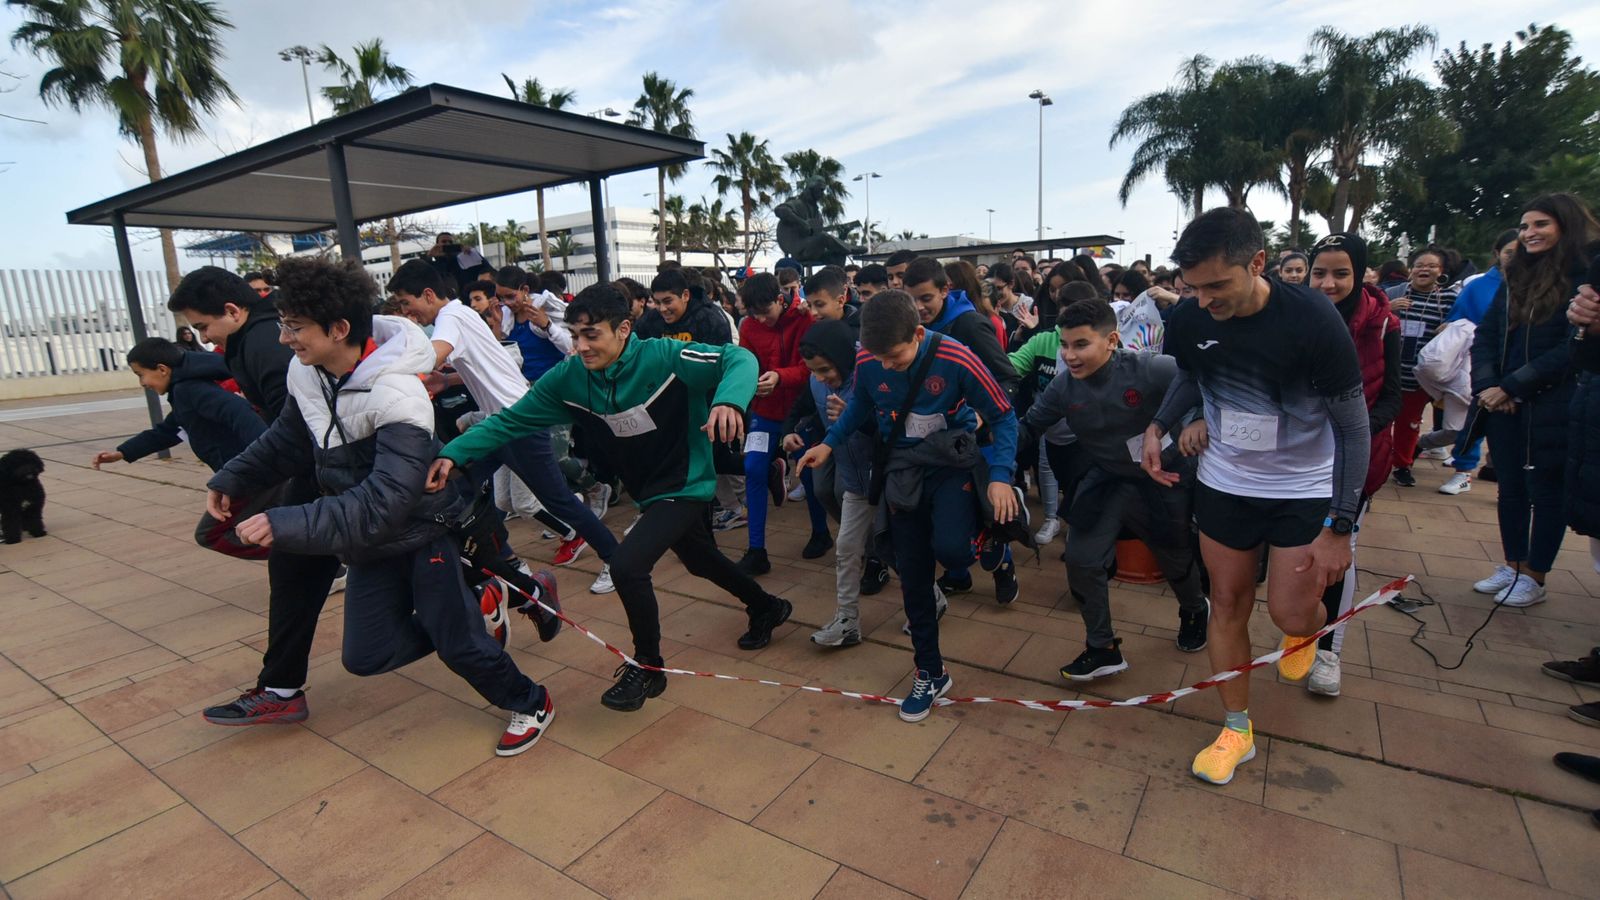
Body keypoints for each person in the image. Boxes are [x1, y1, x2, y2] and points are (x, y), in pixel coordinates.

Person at [208, 256, 556, 756]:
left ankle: (532, 700)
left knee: (459, 645)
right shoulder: (307, 374)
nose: (285, 338)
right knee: (367, 655)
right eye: (284, 324)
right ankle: (481, 602)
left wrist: (284, 522)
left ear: (339, 328)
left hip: (420, 533)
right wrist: (233, 478)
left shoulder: (397, 391)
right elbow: (287, 440)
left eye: (295, 327)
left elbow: (386, 502)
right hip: (367, 542)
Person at [430, 283, 793, 711]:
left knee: (627, 564)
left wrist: (730, 401)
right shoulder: (568, 378)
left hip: (688, 483)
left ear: (623, 329)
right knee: (698, 560)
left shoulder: (666, 357)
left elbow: (739, 358)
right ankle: (767, 605)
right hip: (647, 489)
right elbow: (510, 421)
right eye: (575, 335)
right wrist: (453, 453)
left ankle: (648, 668)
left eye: (592, 335)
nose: (581, 346)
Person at [1141, 208, 1368, 786]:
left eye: (1217, 284)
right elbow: (1191, 376)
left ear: (1259, 263)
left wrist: (1340, 526)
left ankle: (1303, 631)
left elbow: (1353, 426)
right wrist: (1158, 427)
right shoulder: (1191, 317)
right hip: (1226, 482)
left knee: (1292, 609)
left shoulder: (1313, 318)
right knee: (1229, 601)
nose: (1204, 299)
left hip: (1303, 486)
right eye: (1192, 287)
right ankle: (1236, 728)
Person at [797, 290, 1020, 722]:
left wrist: (1000, 477)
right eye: (876, 357)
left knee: (954, 552)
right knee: (912, 572)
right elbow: (861, 401)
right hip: (901, 468)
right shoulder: (868, 359)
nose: (885, 365)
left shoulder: (957, 357)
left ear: (918, 333)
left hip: (949, 463)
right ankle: (930, 672)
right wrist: (828, 443)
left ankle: (991, 531)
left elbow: (1004, 415)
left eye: (895, 357)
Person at [167, 266, 344, 725]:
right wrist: (235, 477)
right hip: (316, 479)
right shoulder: (253, 340)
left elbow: (297, 431)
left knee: (424, 572)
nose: (205, 340)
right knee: (293, 572)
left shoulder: (267, 344)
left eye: (204, 327)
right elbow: (287, 429)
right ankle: (281, 689)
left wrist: (256, 483)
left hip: (336, 478)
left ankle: (519, 588)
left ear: (231, 310)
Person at [387, 259, 617, 591]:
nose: (409, 314)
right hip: (498, 425)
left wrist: (378, 367)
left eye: (407, 304)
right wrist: (447, 380)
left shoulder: (450, 318)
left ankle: (614, 557)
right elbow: (488, 366)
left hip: (518, 422)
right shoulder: (461, 314)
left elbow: (429, 357)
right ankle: (507, 562)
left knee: (557, 501)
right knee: (462, 491)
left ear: (427, 294)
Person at [1020, 298, 1210, 680]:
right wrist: (993, 451)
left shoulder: (1150, 369)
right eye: (1064, 345)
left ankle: (1194, 609)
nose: (1069, 356)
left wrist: (1199, 420)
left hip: (1164, 477)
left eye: (1081, 345)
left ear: (1111, 341)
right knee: (1081, 559)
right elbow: (1029, 426)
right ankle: (1102, 647)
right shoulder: (1062, 388)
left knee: (1174, 559)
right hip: (1107, 478)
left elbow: (1204, 382)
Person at [1468, 194, 1593, 607]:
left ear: (1565, 226)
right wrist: (1489, 385)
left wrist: (1515, 385)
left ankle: (1535, 574)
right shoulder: (1514, 277)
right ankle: (1513, 563)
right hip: (1501, 403)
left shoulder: (1583, 277)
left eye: (1541, 224)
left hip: (1550, 404)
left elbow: (1569, 349)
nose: (1529, 234)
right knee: (1512, 488)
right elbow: (1486, 334)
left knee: (1546, 489)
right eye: (1524, 226)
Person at [1304, 232, 1402, 696]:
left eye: (1340, 273)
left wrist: (1352, 428)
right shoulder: (1292, 317)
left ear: (1359, 274)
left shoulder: (1385, 325)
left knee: (1338, 551)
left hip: (1356, 460)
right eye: (1319, 272)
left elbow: (1394, 398)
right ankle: (1300, 624)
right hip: (1299, 460)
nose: (1327, 283)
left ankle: (1328, 652)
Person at [902, 257, 1021, 603]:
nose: (919, 307)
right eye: (913, 299)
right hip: (932, 440)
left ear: (945, 290)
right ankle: (958, 574)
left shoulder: (969, 325)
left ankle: (1002, 564)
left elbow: (1007, 377)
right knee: (943, 515)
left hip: (974, 439)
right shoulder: (910, 328)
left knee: (985, 509)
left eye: (926, 298)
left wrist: (983, 412)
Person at [93, 337, 271, 558]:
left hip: (249, 476)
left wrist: (263, 456)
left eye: (141, 374)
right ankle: (302, 560)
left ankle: (300, 556)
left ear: (162, 369)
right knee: (261, 527)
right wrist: (122, 452)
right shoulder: (182, 392)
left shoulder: (191, 390)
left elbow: (239, 412)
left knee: (211, 534)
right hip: (247, 473)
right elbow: (169, 430)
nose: (142, 383)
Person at [782, 319, 876, 646]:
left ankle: (931, 599)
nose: (821, 378)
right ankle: (848, 621)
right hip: (854, 482)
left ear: (842, 357)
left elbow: (897, 426)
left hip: (888, 480)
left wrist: (857, 417)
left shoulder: (874, 372)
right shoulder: (816, 382)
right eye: (814, 371)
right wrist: (791, 429)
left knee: (899, 550)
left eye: (825, 370)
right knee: (847, 550)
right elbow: (803, 406)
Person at [735, 273, 820, 575]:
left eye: (765, 311)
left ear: (780, 300)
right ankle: (756, 549)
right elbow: (745, 361)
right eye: (754, 313)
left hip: (799, 413)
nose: (761, 319)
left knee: (808, 474)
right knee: (753, 469)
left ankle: (820, 532)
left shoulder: (804, 319)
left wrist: (781, 376)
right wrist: (751, 383)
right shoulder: (749, 326)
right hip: (764, 411)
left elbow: (811, 367)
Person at [1008, 281, 1101, 546]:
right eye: (1065, 308)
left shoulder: (1111, 348)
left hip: (1090, 434)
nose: (1070, 355)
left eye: (1080, 345)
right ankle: (1052, 517)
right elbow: (1011, 367)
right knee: (1047, 468)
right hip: (1050, 427)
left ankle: (1078, 522)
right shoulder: (1043, 340)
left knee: (1084, 479)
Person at [1429, 230, 1520, 495]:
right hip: (1480, 362)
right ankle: (1463, 470)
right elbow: (1459, 317)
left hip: (1522, 369)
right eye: (1509, 252)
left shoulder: (1543, 282)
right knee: (1473, 417)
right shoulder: (1479, 284)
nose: (1514, 258)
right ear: (1497, 254)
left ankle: (1510, 477)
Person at [1386, 246, 1459, 488]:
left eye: (1431, 266)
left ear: (1441, 271)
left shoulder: (1448, 299)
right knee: (1382, 422)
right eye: (1419, 265)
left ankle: (1402, 465)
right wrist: (1387, 309)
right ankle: (1377, 461)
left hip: (1421, 376)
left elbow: (1463, 328)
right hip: (1389, 372)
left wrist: (1451, 326)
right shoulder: (1393, 293)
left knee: (1410, 423)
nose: (1423, 270)